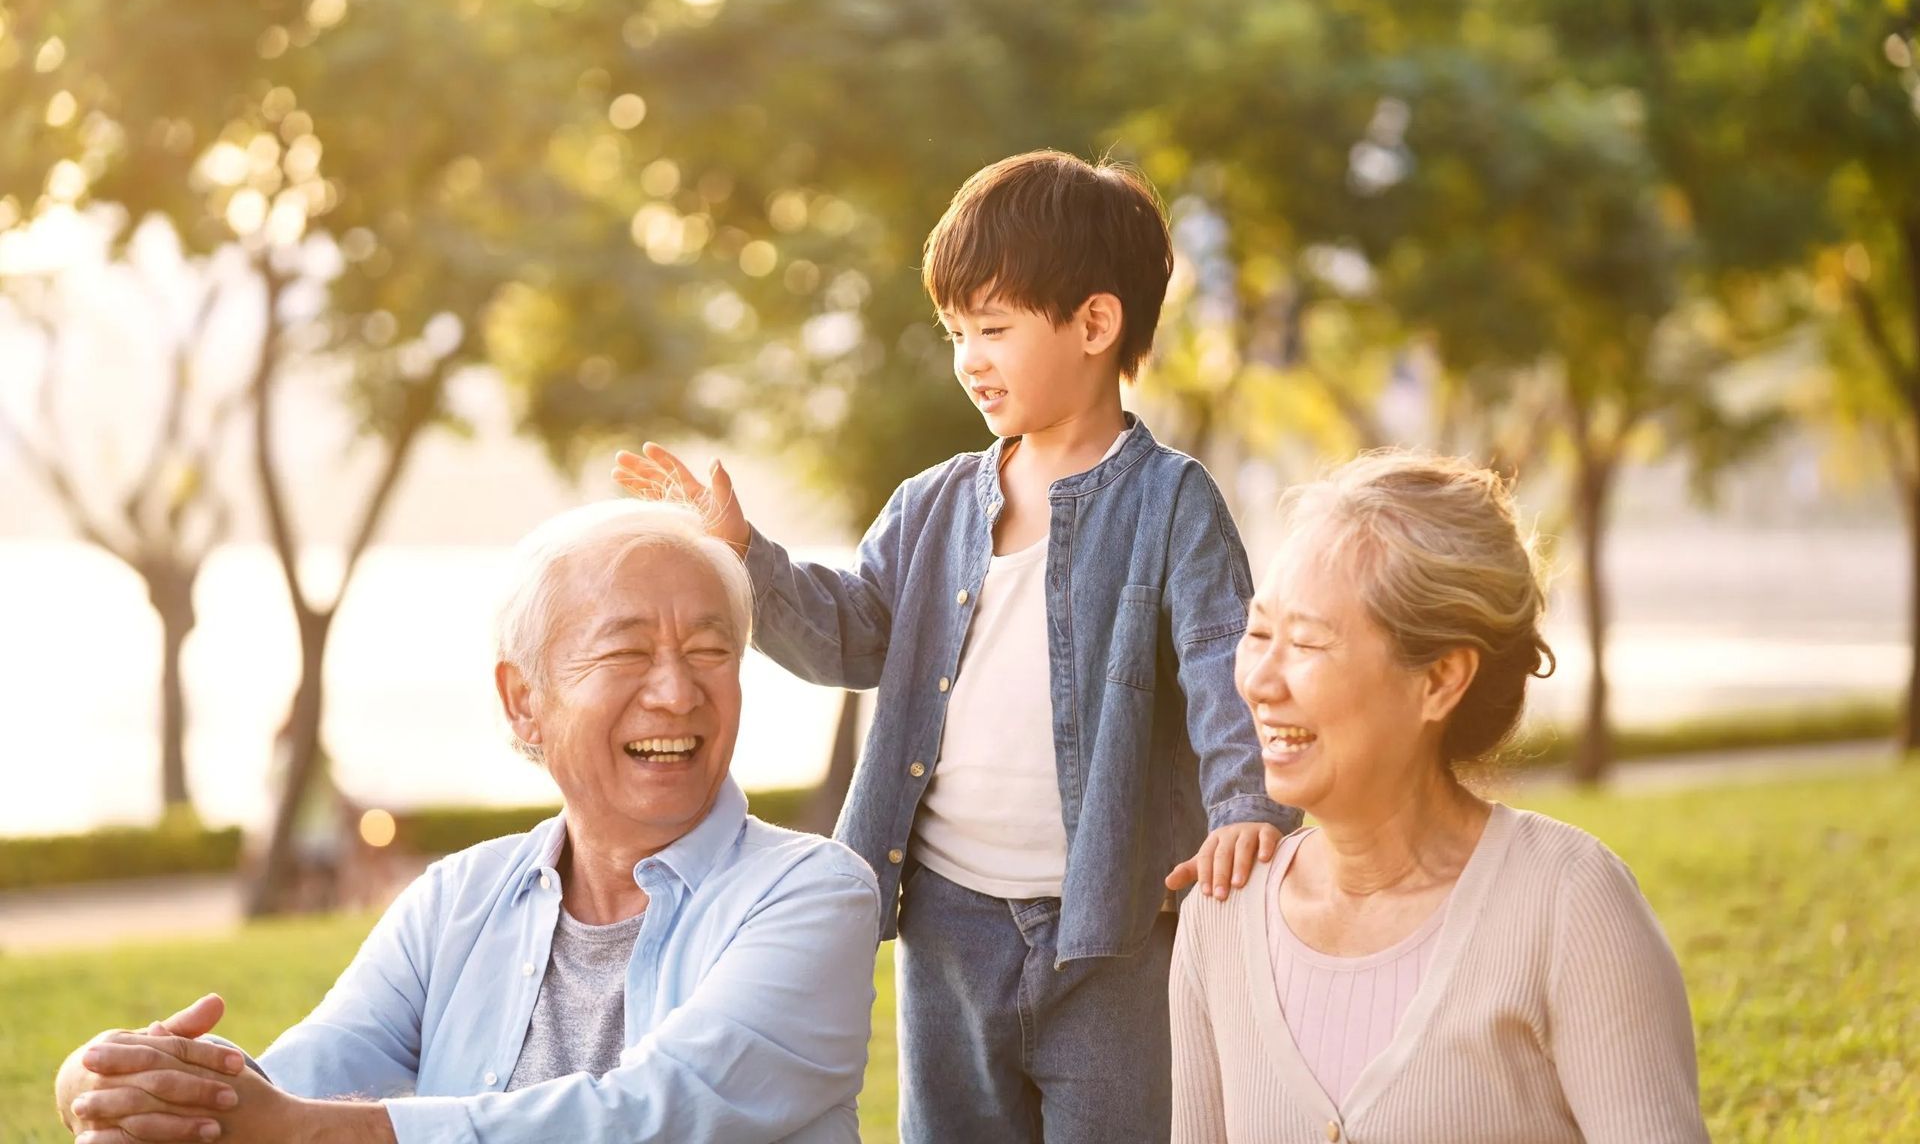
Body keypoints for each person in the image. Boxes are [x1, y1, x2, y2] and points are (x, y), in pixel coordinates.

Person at [616, 149, 1297, 1143]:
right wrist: (743, 553)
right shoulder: (931, 504)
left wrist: (1246, 804)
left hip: (1108, 931)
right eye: (954, 333)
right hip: (946, 923)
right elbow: (851, 635)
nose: (968, 357)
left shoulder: (1171, 501)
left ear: (1096, 325)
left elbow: (1220, 662)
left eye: (993, 328)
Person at [54, 500, 881, 1144]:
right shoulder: (457, 898)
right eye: (627, 652)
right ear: (525, 702)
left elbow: (656, 1115)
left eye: (709, 652)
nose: (676, 691)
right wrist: (115, 1081)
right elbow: (294, 1078)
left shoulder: (813, 892)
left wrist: (306, 1129)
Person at [1169, 451, 1710, 1143]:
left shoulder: (1570, 905)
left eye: (1305, 642)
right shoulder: (1221, 914)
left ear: (1440, 679)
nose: (1260, 682)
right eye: (1259, 633)